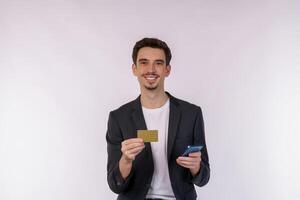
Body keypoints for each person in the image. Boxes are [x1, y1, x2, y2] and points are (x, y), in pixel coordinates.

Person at [106, 38, 210, 200]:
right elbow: (114, 184)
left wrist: (196, 168)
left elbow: (204, 178)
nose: (151, 69)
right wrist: (125, 160)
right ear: (134, 69)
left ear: (167, 70)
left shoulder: (191, 114)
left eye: (159, 63)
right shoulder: (119, 117)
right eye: (144, 62)